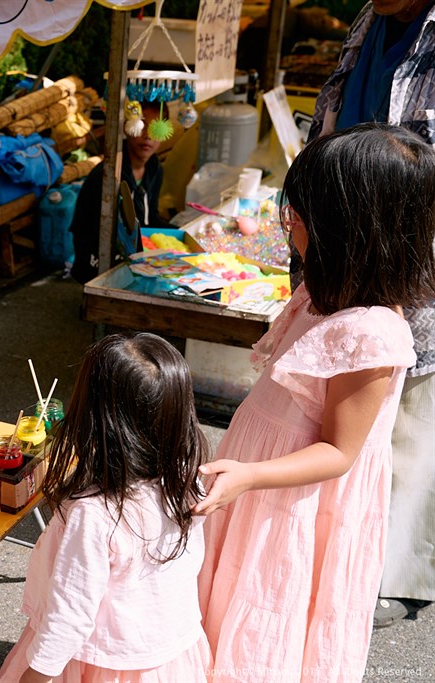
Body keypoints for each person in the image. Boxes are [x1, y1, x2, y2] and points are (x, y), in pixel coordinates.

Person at [195, 124, 435, 683]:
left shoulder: (373, 332)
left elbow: (338, 451)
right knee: (225, 598)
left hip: (295, 504)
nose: (290, 220)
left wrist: (251, 475)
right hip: (259, 482)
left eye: (301, 211)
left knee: (263, 613)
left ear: (352, 228)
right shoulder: (323, 292)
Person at [310, 0, 435, 629]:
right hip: (348, 244)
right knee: (349, 412)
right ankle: (337, 551)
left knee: (411, 425)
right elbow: (328, 115)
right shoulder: (367, 21)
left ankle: (393, 579)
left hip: (414, 260)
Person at [0, 333, 212, 683]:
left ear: (95, 418)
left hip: (98, 662)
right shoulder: (186, 481)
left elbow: (71, 611)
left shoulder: (93, 512)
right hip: (169, 652)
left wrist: (35, 676)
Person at [69, 100, 171, 284]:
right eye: (141, 125)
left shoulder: (155, 169)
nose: (148, 136)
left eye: (156, 128)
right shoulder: (107, 174)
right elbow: (96, 230)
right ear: (126, 127)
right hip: (100, 254)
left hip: (135, 250)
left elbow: (151, 217)